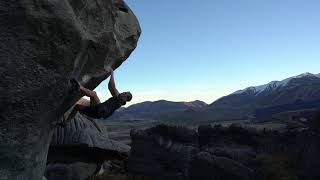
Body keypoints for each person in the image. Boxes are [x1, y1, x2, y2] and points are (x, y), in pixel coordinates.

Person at [61, 68, 132, 125]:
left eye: (125, 93)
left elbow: (111, 87)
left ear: (126, 98)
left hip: (100, 110)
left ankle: (80, 87)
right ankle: (66, 123)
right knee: (79, 106)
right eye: (125, 92)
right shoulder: (119, 100)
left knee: (92, 96)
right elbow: (111, 87)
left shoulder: (120, 99)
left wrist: (112, 73)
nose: (123, 92)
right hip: (99, 111)